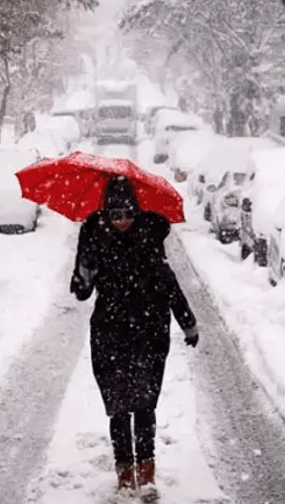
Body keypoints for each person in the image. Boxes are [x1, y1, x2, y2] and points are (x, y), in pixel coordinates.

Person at [70, 175, 199, 498]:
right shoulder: (94, 239)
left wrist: (189, 323)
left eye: (128, 213)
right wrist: (84, 273)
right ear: (107, 215)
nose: (123, 221)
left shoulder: (149, 239)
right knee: (117, 407)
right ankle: (125, 474)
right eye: (115, 215)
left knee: (143, 405)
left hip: (149, 334)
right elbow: (82, 293)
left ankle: (147, 472)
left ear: (136, 212)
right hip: (109, 334)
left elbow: (170, 286)